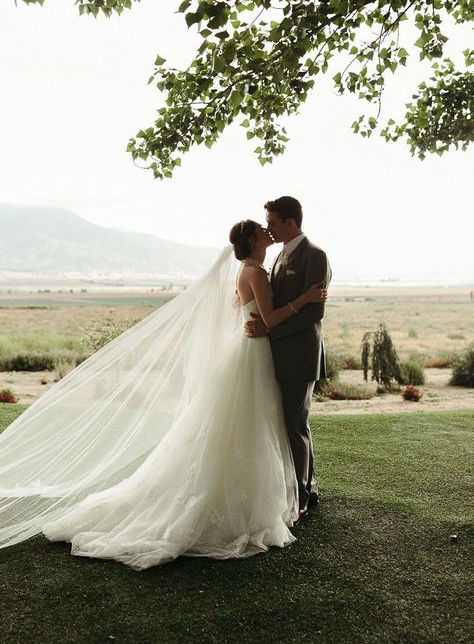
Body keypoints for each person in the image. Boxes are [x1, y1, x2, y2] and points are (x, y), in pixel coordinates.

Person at [0, 220, 325, 570]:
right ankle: (251, 501)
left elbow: (244, 307)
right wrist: (304, 299)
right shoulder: (256, 273)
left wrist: (253, 312)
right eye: (262, 229)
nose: (267, 231)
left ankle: (266, 495)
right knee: (251, 422)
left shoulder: (251, 270)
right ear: (251, 239)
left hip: (251, 352)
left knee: (249, 423)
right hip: (253, 352)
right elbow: (271, 318)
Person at [245, 197, 331, 523]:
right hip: (278, 355)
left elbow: (315, 311)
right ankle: (309, 487)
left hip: (301, 354)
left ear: (291, 222)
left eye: (273, 223)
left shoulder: (316, 256)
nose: (269, 228)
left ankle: (303, 498)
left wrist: (268, 333)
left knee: (296, 425)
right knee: (290, 424)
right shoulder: (280, 255)